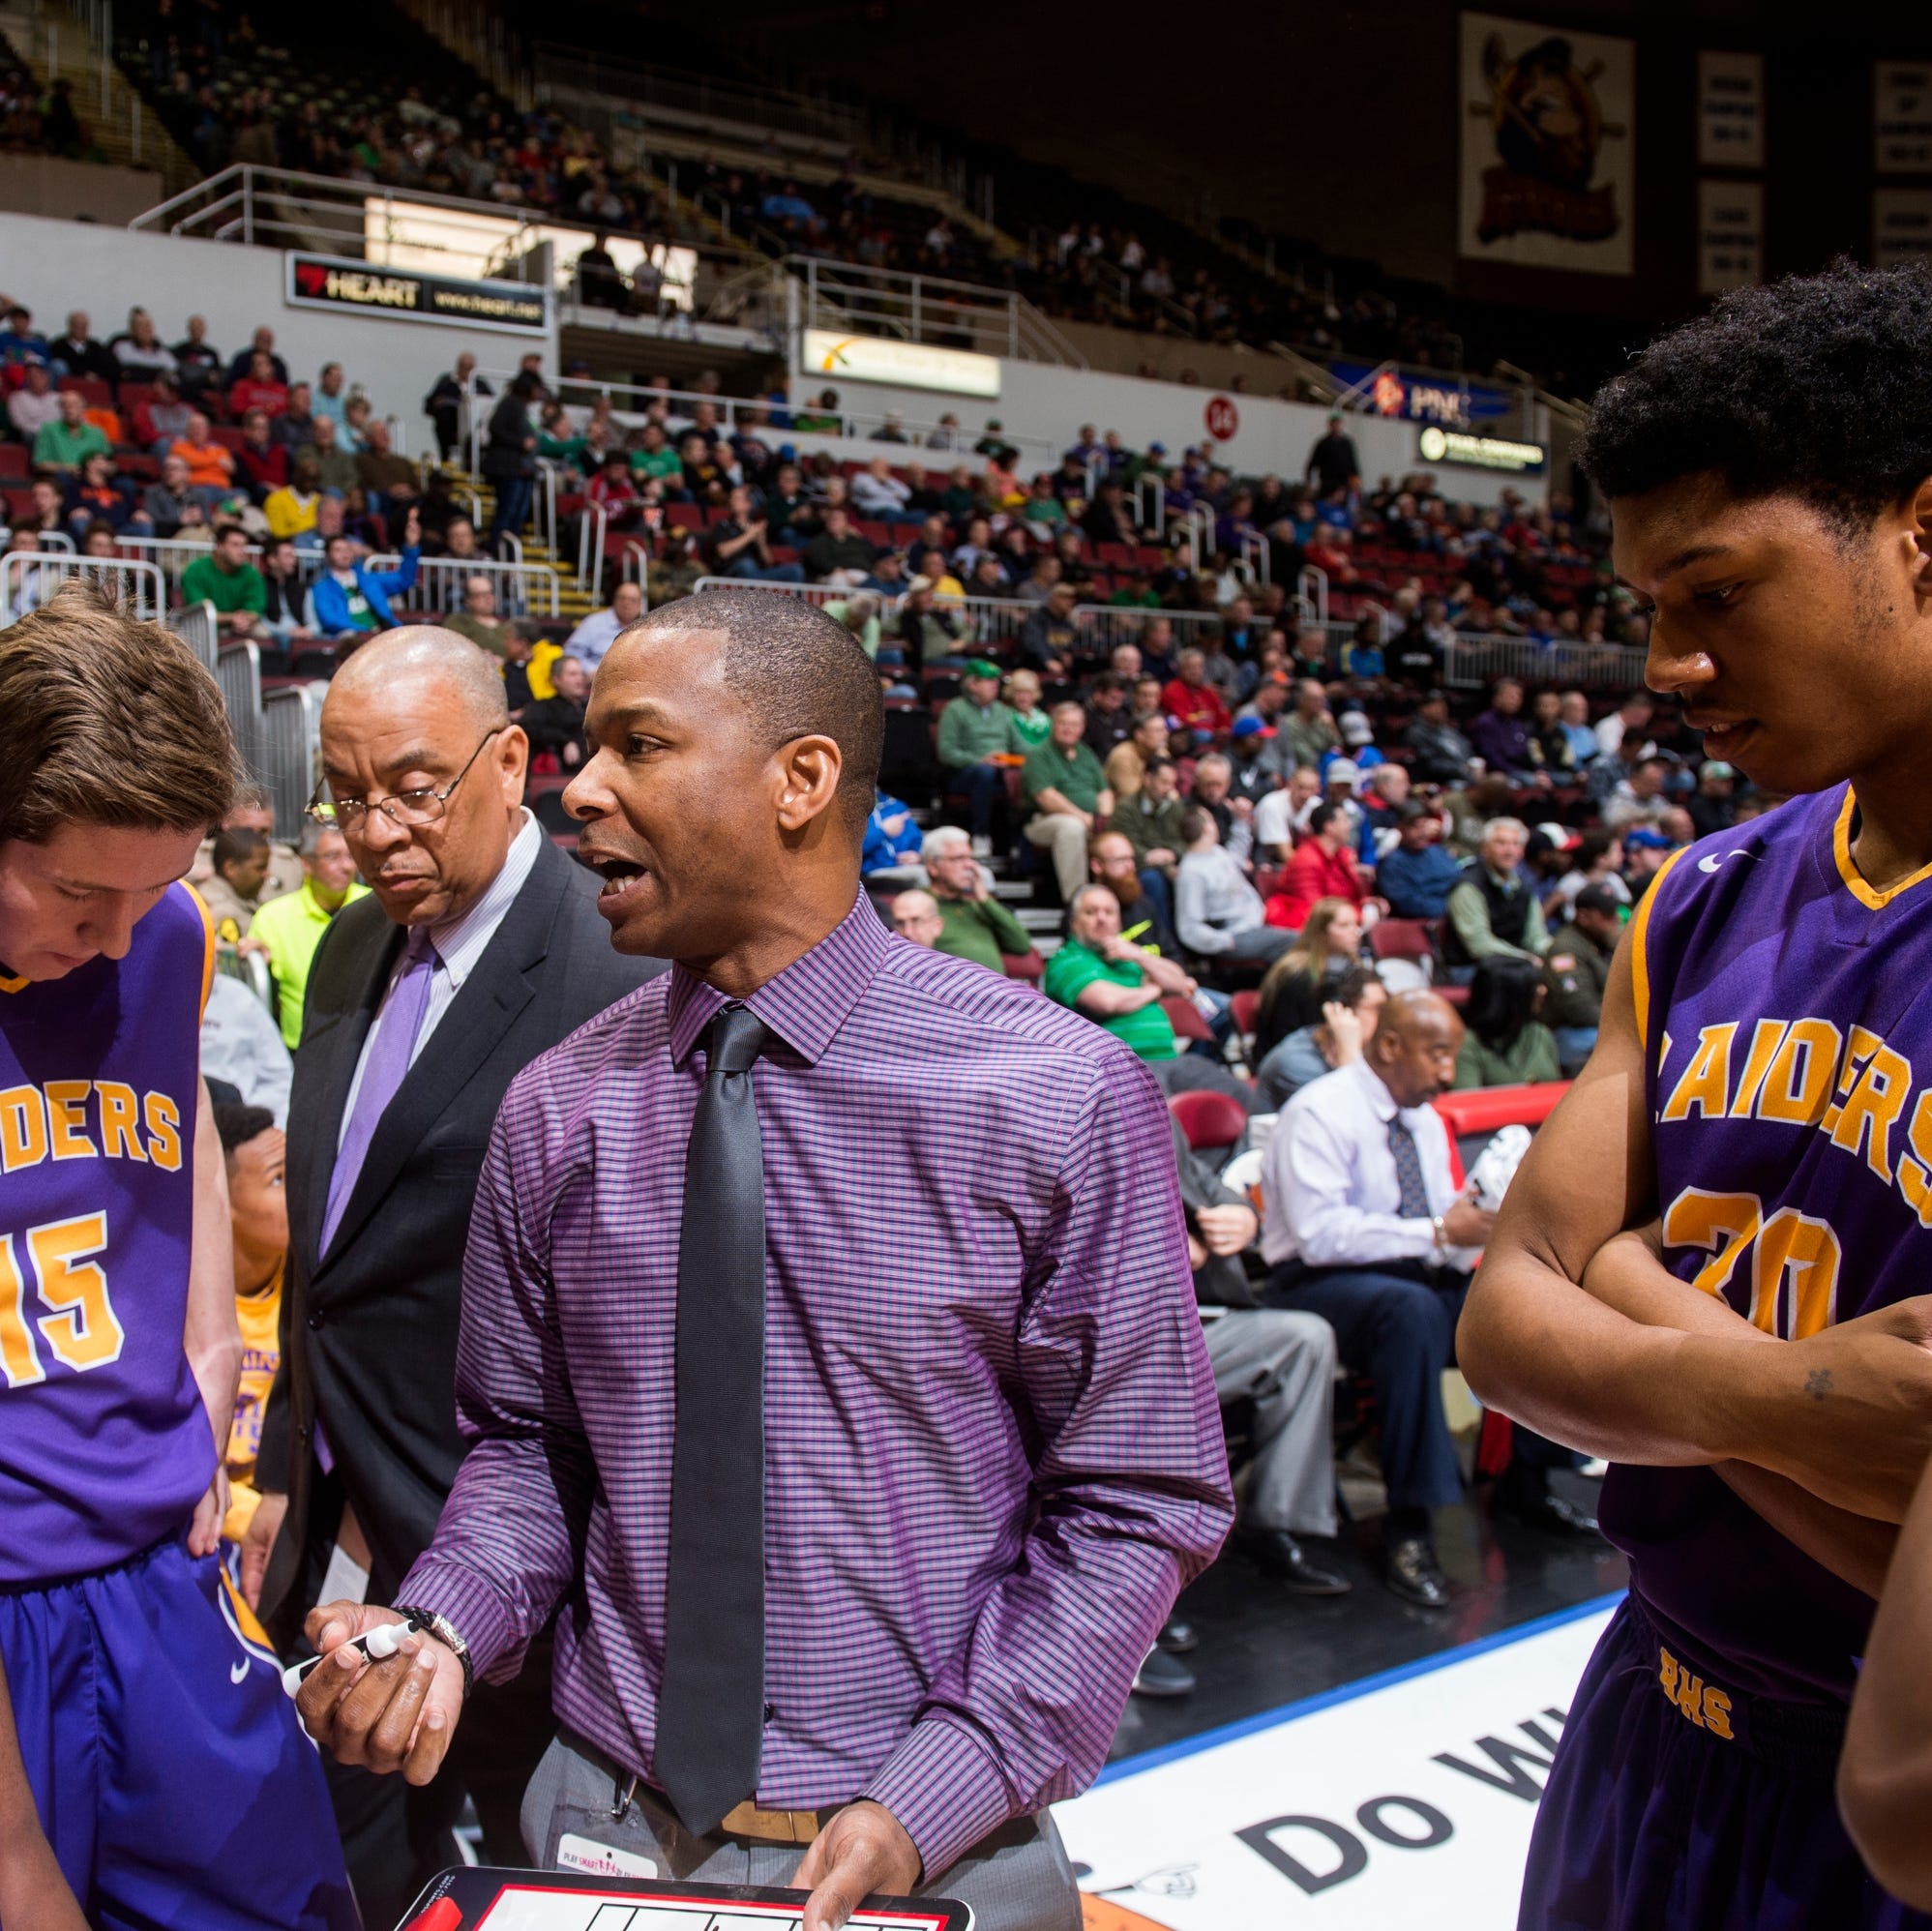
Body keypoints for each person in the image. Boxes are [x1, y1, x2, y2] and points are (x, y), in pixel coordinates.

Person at [290, 587, 1233, 1931]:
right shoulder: (558, 1108)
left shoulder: (1054, 1094)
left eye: (639, 745)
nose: (582, 793)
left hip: (935, 1844)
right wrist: (443, 1626)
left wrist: (938, 1790)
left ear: (802, 778)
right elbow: (526, 1452)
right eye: (586, 749)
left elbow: (1138, 1498)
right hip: (593, 1820)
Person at [1455, 259, 1932, 1931]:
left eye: (1713, 593)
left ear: (1920, 533)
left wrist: (1637, 1290)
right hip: (1649, 1721)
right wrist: (1792, 1400)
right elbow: (1504, 1325)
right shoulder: (1697, 893)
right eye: (1647, 606)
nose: (1661, 663)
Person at [246, 628, 663, 1923]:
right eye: (348, 796)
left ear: (513, 762)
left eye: (414, 790)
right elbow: (331, 1255)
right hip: (335, 1544)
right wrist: (280, 1467)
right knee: (352, 1885)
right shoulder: (356, 946)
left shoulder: (624, 969)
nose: (376, 832)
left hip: (526, 1571)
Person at [0, 582, 354, 1928]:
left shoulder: (167, 931)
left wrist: (211, 1346)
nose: (112, 934)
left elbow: (183, 1122)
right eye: (81, 892)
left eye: (152, 891)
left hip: (155, 1565)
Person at [1263, 992, 1581, 1608]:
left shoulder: (1424, 1119)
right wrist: (1438, 1233)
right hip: (1316, 1281)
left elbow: (1444, 1225)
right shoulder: (1318, 1111)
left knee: (1521, 1298)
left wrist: (1481, 1231)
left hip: (1409, 1268)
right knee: (1408, 1315)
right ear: (1389, 1047)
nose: (1446, 1073)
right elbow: (1320, 1234)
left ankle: (1529, 1482)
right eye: (1438, 1055)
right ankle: (1409, 1527)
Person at [1170, 1119, 1351, 1594]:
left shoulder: (1151, 1112)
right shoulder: (1048, 1125)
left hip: (1189, 1324)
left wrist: (1243, 1219)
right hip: (1108, 1335)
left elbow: (1213, 1189)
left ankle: (1273, 1525)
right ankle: (1139, 1580)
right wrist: (1162, 1246)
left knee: (1303, 1338)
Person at [216, 1104, 287, 1544]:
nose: (301, 1191)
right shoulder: (189, 1302)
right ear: (223, 1202)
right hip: (212, 1517)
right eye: (279, 1179)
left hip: (284, 1508)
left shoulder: (311, 1290)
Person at [1044, 882, 1201, 1066]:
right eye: (1091, 912)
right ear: (1074, 922)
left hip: (1169, 1058)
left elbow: (1180, 983)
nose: (1102, 919)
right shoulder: (1065, 961)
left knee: (1232, 1091)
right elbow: (1108, 1002)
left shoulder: (1127, 957)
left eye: (1109, 912)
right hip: (1116, 1068)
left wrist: (1138, 955)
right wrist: (1157, 990)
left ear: (1118, 922)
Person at [248, 822, 369, 1047]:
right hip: (299, 1050)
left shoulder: (376, 909)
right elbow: (255, 993)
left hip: (363, 1046)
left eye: (350, 856)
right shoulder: (273, 918)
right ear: (307, 863)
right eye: (333, 856)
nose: (346, 866)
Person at [1255, 965, 1387, 1111]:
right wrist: (1348, 1055)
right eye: (1377, 1008)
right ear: (1340, 1011)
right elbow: (1352, 1117)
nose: (1385, 1017)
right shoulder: (1296, 1063)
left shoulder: (1366, 1050)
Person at [1174, 807, 1292, 969]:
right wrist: (1225, 941)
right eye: (1212, 820)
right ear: (1208, 828)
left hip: (1257, 921)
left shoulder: (1216, 852)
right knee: (1297, 942)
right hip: (1237, 934)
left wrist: (1241, 822)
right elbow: (1189, 928)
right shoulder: (1191, 873)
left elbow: (1238, 853)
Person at [1021, 701, 1114, 904]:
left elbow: (1104, 791)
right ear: (1053, 725)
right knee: (1072, 827)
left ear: (1082, 728)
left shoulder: (1086, 753)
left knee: (1119, 829)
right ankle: (1077, 902)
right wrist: (1085, 819)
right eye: (1063, 723)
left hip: (1089, 820)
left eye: (1074, 724)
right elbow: (1046, 797)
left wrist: (1103, 820)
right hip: (1043, 821)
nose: (1068, 728)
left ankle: (1115, 900)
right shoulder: (1038, 754)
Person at [1253, 898, 1364, 1057]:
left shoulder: (1352, 967)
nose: (1355, 932)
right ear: (1321, 931)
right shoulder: (1297, 973)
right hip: (1291, 1055)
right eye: (1344, 925)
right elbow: (1286, 1032)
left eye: (1356, 924)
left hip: (1328, 1047)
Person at [935, 659, 1025, 856]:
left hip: (1002, 770)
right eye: (988, 680)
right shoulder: (954, 709)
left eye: (996, 681)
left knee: (1027, 773)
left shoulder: (1003, 711)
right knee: (984, 773)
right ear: (972, 684)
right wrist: (979, 760)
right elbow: (946, 752)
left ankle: (1019, 843)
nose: (995, 685)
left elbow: (1020, 746)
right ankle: (981, 834)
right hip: (964, 773)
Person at [1442, 817, 1549, 981]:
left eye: (1516, 844)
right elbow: (1480, 946)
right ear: (1485, 848)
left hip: (1515, 966)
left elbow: (1537, 939)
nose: (1510, 851)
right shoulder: (1468, 886)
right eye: (1501, 843)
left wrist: (1560, 952)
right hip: (1470, 968)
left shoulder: (1524, 887)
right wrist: (1525, 958)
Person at [922, 825, 1036, 973]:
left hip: (997, 991)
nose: (969, 865)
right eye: (959, 858)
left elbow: (1021, 944)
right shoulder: (919, 905)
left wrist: (984, 898)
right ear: (933, 867)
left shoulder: (978, 906)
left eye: (970, 858)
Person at [1541, 881, 1621, 1075]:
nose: (1615, 919)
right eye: (1607, 915)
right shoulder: (1565, 949)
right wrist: (1624, 1026)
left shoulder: (1602, 940)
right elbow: (1580, 1009)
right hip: (1570, 1031)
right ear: (1584, 916)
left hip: (1603, 1023)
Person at [1452, 955, 1562, 1088]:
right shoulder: (1468, 1045)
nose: (1542, 990)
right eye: (1533, 986)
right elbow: (1467, 1101)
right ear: (1510, 996)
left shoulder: (1541, 1033)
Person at [311, 511, 422, 641]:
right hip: (351, 639)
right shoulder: (322, 587)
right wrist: (365, 631)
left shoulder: (369, 579)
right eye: (337, 550)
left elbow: (404, 579)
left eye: (347, 549)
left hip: (383, 634)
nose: (344, 553)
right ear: (327, 555)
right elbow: (330, 620)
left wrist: (411, 546)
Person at [1265, 801, 1367, 930]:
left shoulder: (1341, 856)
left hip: (1338, 922)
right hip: (1308, 930)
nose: (1350, 825)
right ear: (1330, 827)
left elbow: (1348, 896)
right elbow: (1317, 911)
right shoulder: (1306, 861)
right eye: (1345, 820)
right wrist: (1360, 915)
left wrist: (1368, 904)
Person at [181, 522, 269, 639]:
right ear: (219, 547)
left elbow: (255, 610)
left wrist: (244, 619)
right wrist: (232, 618)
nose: (242, 551)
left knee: (263, 633)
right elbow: (200, 612)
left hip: (241, 624)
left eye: (244, 545)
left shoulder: (252, 573)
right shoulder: (195, 570)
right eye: (235, 545)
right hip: (203, 626)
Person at [1377, 804, 1462, 920]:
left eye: (1424, 826)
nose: (1422, 833)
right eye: (1415, 827)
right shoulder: (1392, 863)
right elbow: (1407, 903)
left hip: (1459, 910)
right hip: (1430, 924)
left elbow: (1459, 880)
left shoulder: (1438, 851)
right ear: (1400, 828)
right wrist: (1454, 908)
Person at [522, 651, 591, 769]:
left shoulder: (590, 707)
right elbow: (528, 727)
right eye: (572, 674)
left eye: (581, 674)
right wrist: (564, 741)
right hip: (561, 778)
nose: (579, 679)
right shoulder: (545, 707)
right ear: (556, 680)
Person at [563, 579, 644, 676]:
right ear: (614, 600)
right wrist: (593, 671)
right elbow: (570, 653)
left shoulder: (645, 628)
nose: (627, 604)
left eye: (633, 600)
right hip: (597, 682)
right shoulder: (594, 622)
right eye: (622, 598)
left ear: (640, 605)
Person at [1405, 690, 1474, 785]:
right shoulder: (1417, 732)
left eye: (1443, 704)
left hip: (1464, 775)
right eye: (1436, 705)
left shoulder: (1449, 730)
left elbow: (1466, 747)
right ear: (1424, 709)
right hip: (1441, 781)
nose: (1443, 708)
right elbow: (1430, 763)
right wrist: (1459, 769)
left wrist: (1471, 765)